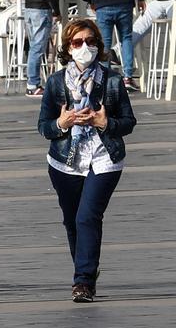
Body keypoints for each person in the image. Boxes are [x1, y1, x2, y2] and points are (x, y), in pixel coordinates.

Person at [38, 18, 137, 303]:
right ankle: (86, 269)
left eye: (91, 42)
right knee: (72, 221)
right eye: (78, 42)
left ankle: (83, 281)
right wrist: (62, 123)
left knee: (87, 216)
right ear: (68, 48)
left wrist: (106, 123)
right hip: (65, 161)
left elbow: (129, 122)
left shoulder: (113, 80)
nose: (85, 47)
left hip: (104, 158)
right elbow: (43, 127)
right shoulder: (56, 83)